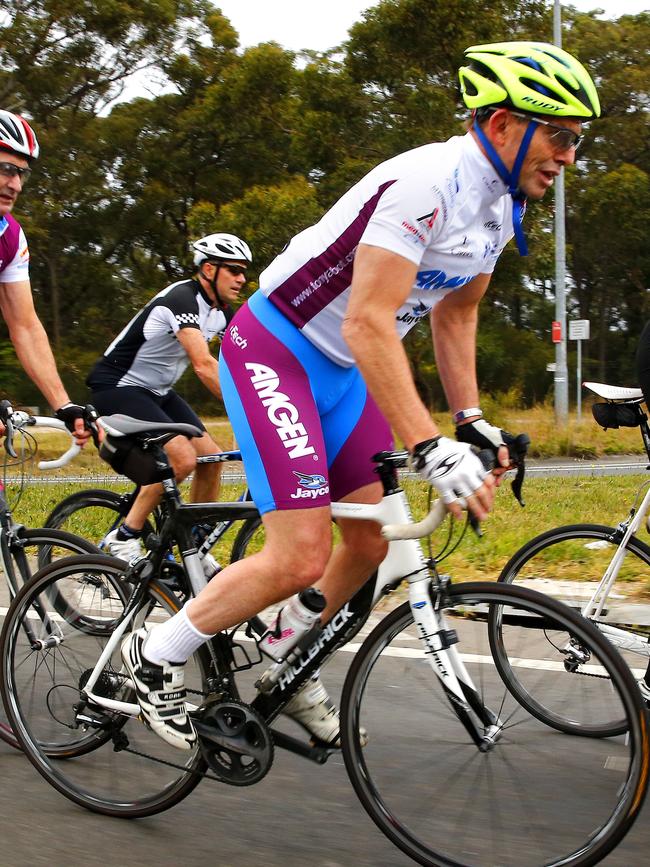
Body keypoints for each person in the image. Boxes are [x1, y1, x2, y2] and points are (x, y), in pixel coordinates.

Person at [121, 41, 601, 750]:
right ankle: (152, 656)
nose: (566, 157)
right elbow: (368, 319)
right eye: (559, 136)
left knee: (371, 540)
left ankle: (280, 650)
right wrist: (429, 444)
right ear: (502, 123)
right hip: (277, 349)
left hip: (344, 371)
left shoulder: (501, 208)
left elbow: (456, 313)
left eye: (576, 143)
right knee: (300, 554)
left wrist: (469, 418)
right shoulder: (426, 184)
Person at [87, 233, 252, 566]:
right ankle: (123, 537)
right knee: (180, 459)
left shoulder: (220, 311)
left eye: (243, 271)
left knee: (212, 458)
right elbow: (205, 365)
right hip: (118, 386)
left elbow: (244, 360)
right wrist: (249, 409)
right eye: (233, 270)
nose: (242, 279)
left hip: (158, 391)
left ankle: (194, 544)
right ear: (209, 268)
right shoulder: (182, 298)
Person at [0, 109, 94, 443]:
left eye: (22, 174)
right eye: (7, 170)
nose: (16, 184)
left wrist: (63, 404)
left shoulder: (10, 237)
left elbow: (24, 325)